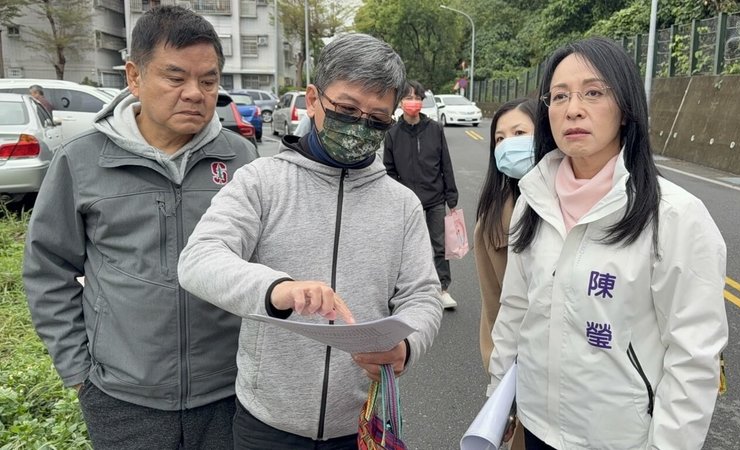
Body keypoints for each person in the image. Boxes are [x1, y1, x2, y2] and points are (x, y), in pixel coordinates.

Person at [177, 33, 442, 449]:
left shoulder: (401, 204)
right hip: (267, 423)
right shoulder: (262, 182)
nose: (360, 127)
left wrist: (407, 347)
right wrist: (276, 289)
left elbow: (423, 295)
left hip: (359, 425)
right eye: (347, 109)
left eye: (377, 119)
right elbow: (199, 260)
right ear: (314, 99)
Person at [23, 6, 257, 449]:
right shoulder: (82, 160)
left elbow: (264, 263)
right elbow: (47, 270)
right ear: (134, 76)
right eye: (176, 78)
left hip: (229, 394)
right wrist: (78, 374)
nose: (194, 93)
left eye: (208, 81)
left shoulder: (240, 160)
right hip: (123, 400)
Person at [488, 37, 728, 450]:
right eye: (559, 96)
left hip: (623, 439)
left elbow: (693, 355)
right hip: (538, 429)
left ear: (625, 109)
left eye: (593, 92)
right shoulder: (534, 199)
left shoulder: (674, 215)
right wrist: (500, 400)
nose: (573, 108)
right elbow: (515, 311)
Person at [474, 98, 536, 450]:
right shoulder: (490, 223)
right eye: (500, 138)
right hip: (519, 370)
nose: (508, 144)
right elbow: (493, 306)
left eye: (519, 133)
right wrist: (501, 385)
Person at [383, 79, 459, 309]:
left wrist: (451, 197)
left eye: (417, 98)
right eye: (408, 98)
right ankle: (402, 291)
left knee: (439, 245)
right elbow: (388, 169)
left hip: (435, 198)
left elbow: (446, 162)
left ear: (422, 102)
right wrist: (399, 193)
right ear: (400, 102)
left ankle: (442, 289)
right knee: (404, 246)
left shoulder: (434, 129)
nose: (413, 102)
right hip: (406, 201)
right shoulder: (393, 133)